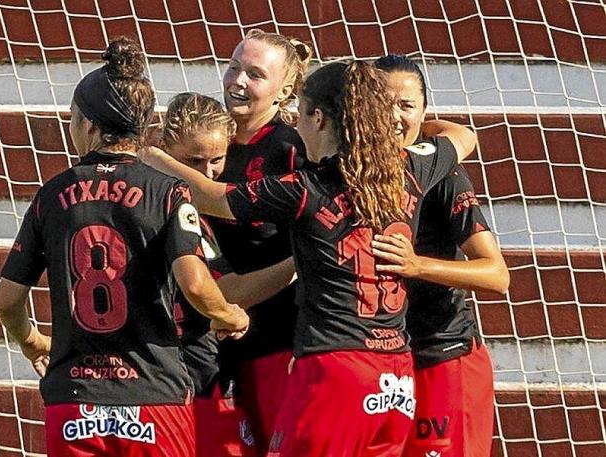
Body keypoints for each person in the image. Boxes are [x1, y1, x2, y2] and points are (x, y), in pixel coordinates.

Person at [141, 60, 475, 456]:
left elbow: (212, 197)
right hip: (396, 376)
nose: (296, 128)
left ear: (319, 118)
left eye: (300, 115)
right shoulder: (412, 167)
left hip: (334, 370)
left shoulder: (305, 189)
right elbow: (463, 136)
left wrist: (154, 158)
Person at [0, 37, 249, 457]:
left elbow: (7, 302)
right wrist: (229, 314)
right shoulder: (168, 192)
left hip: (75, 397)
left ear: (91, 126)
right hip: (154, 396)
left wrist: (31, 340)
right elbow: (197, 286)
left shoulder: (51, 196)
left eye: (73, 118)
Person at [372, 54, 509, 457]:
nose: (394, 116)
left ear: (424, 110)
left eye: (406, 105)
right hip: (380, 363)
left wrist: (417, 265)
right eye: (382, 104)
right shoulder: (346, 172)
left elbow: (497, 275)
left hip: (443, 356)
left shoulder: (442, 176)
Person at [160, 92, 296, 457]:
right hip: (181, 368)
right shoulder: (176, 207)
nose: (206, 173)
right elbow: (225, 289)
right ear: (164, 147)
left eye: (216, 160)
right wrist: (300, 262)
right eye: (193, 161)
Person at [208, 28, 312, 455]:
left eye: (254, 74)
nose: (237, 81)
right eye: (233, 67)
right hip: (217, 345)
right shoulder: (209, 142)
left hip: (279, 342)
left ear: (285, 88)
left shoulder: (292, 148)